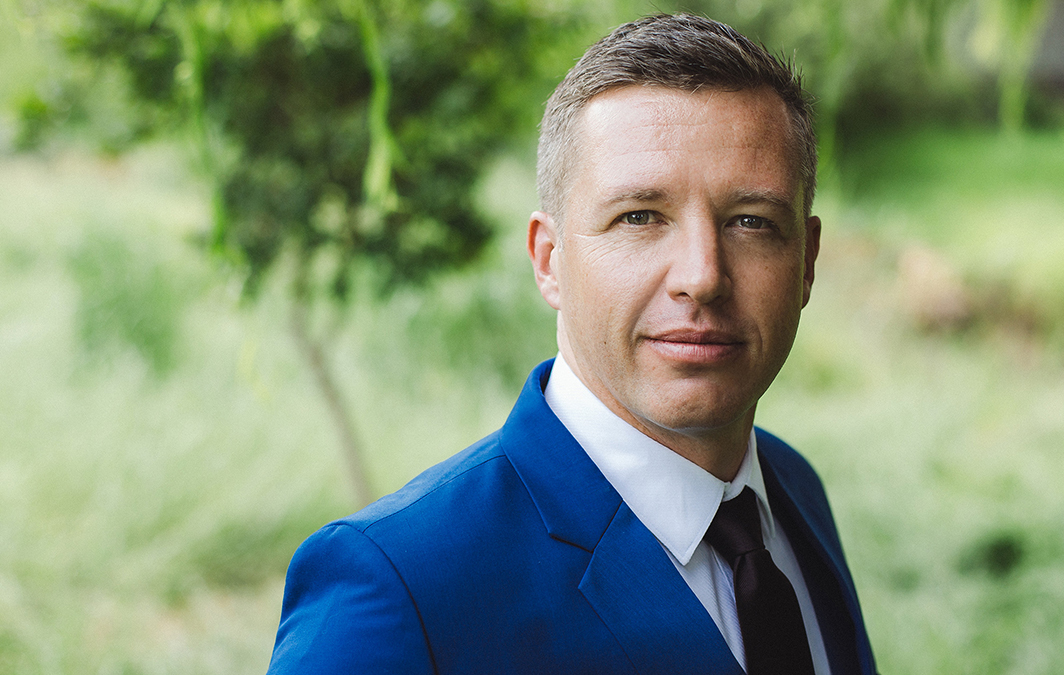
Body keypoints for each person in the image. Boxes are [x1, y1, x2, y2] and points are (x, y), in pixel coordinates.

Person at [266, 13, 877, 675]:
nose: (702, 275)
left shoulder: (792, 490)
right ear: (549, 259)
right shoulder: (397, 587)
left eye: (751, 221)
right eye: (639, 216)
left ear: (807, 261)